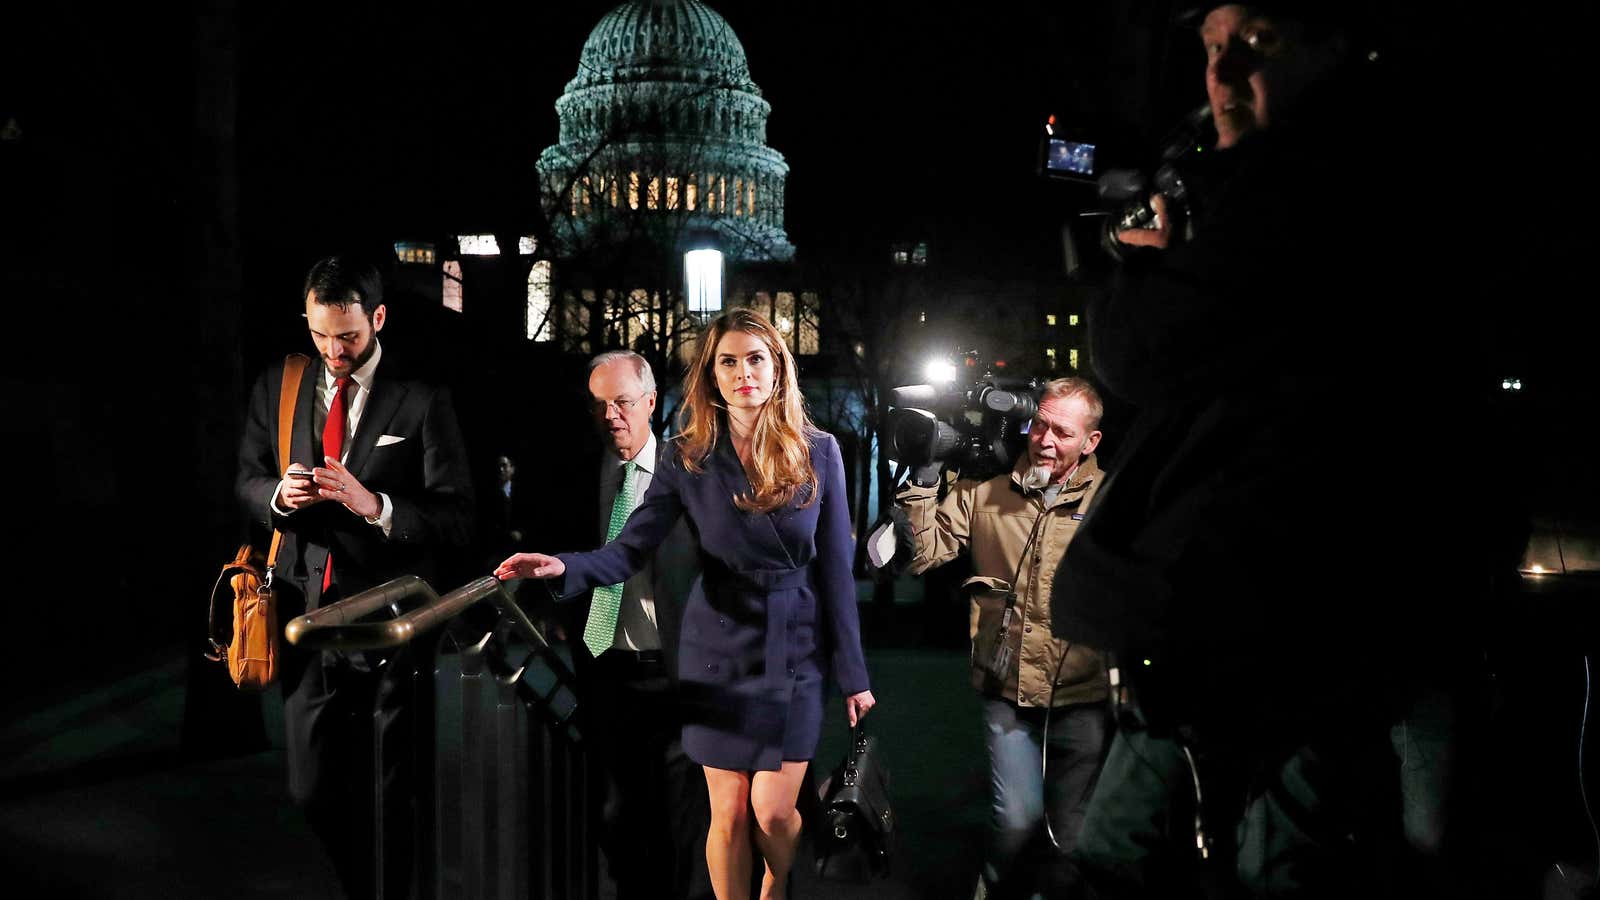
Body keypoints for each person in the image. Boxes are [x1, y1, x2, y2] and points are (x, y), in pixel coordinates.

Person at [1053, 4, 1484, 896]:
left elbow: (1144, 352)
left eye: (1259, 41)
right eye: (1212, 47)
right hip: (1280, 598)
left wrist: (1143, 266)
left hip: (1267, 596)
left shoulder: (1317, 178)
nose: (1222, 71)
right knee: (1235, 847)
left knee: (1198, 855)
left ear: (1331, 44)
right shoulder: (1382, 162)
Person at [496, 309, 875, 900]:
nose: (743, 372)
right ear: (711, 375)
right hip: (716, 647)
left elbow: (835, 573)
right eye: (728, 361)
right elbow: (629, 550)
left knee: (774, 813)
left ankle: (775, 887)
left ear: (777, 367)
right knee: (727, 813)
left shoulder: (820, 451)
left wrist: (853, 675)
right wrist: (563, 565)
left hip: (792, 647)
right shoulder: (686, 457)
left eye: (756, 359)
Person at [235, 255, 474, 899]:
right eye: (319, 335)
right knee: (310, 788)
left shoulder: (422, 395)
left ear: (378, 318)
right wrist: (279, 499)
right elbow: (246, 480)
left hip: (390, 620)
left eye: (348, 336)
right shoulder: (280, 385)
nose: (334, 351)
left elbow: (457, 517)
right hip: (304, 613)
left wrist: (377, 506)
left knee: (393, 788)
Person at [895, 377, 1112, 900]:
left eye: (1062, 432)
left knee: (1071, 835)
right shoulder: (987, 493)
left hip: (1083, 697)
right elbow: (921, 553)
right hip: (1007, 692)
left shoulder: (1111, 502)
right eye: (1039, 424)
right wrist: (923, 476)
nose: (1044, 439)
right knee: (1015, 822)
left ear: (1091, 441)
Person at [570, 349, 710, 900]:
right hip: (609, 672)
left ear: (651, 402)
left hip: (679, 673)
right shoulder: (584, 476)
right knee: (619, 822)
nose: (611, 416)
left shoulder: (691, 472)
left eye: (623, 402)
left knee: (686, 825)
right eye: (600, 405)